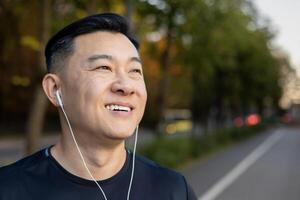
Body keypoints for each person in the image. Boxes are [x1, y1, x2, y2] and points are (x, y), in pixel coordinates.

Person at [0, 13, 197, 200]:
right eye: (104, 67)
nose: (126, 86)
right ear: (55, 89)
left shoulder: (174, 190)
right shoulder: (8, 189)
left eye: (134, 70)